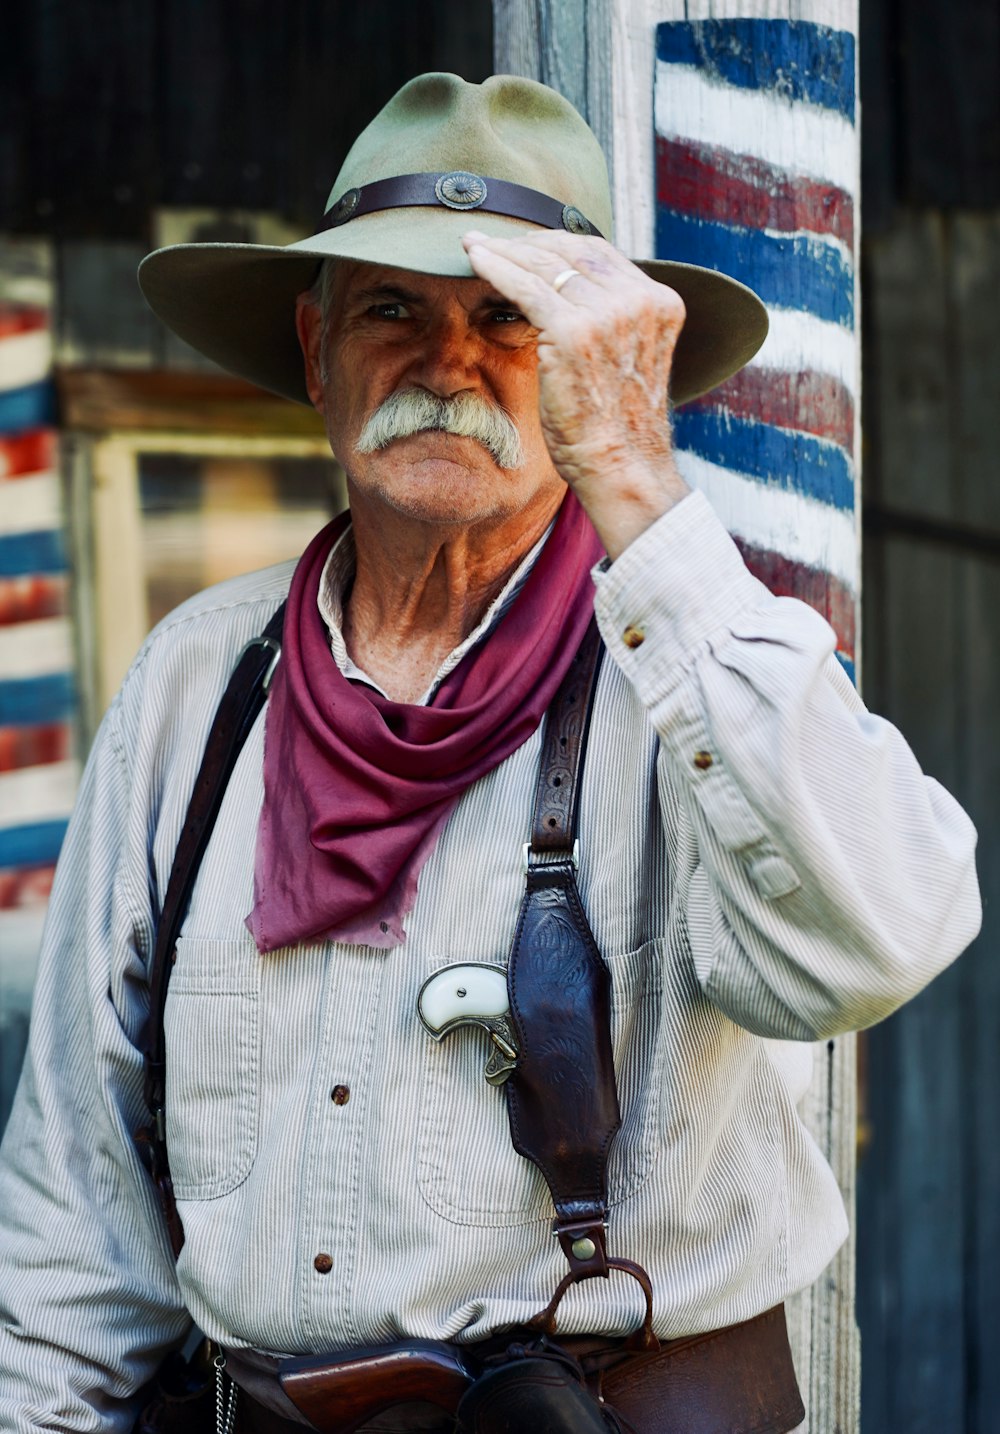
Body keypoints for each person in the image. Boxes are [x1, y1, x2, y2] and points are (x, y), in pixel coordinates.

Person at [0, 72, 981, 1434]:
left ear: (590, 369)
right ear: (314, 347)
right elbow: (70, 1234)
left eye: (509, 320)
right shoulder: (193, 686)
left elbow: (883, 933)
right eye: (391, 309)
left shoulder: (683, 666)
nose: (446, 363)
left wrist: (637, 475)